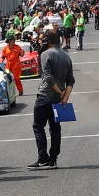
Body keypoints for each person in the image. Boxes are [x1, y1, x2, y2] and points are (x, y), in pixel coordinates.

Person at [28, 31, 74, 170]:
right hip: (58, 99)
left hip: (45, 96)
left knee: (38, 127)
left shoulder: (45, 54)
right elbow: (70, 80)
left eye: (43, 39)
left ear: (48, 40)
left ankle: (43, 159)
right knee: (55, 128)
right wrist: (64, 96)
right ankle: (53, 159)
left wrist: (59, 92)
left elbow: (47, 78)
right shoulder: (66, 56)